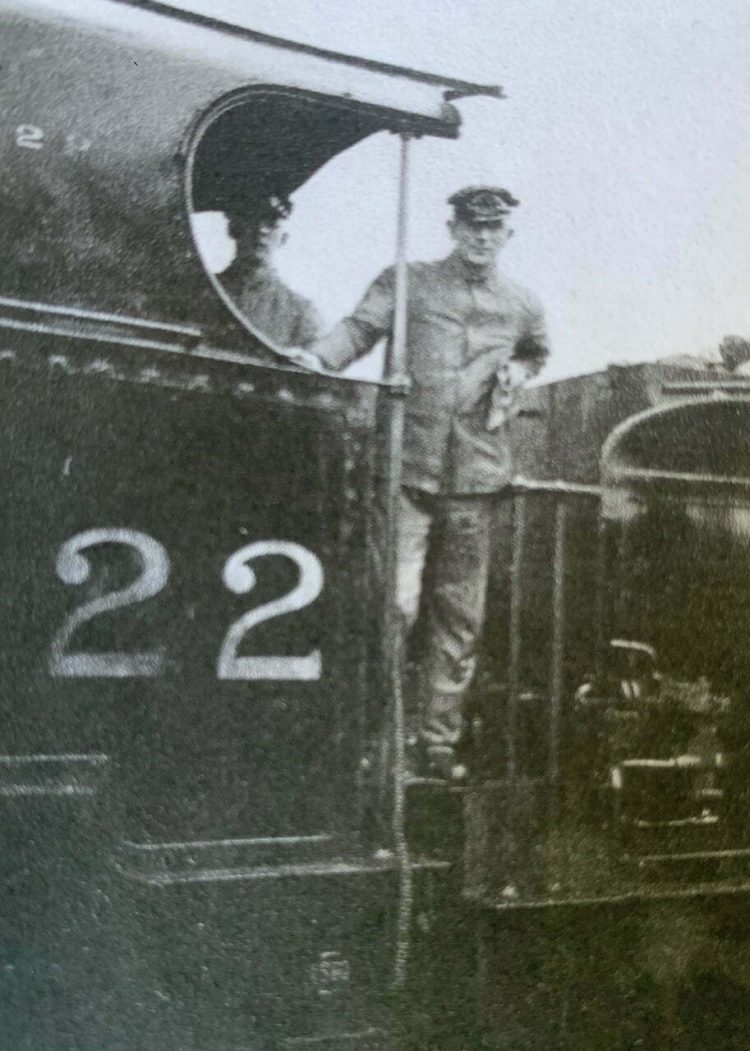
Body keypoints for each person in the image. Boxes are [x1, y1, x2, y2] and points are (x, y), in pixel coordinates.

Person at [295, 186, 549, 778]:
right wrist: (318, 359)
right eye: (471, 227)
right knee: (394, 604)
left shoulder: (523, 304)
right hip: (408, 468)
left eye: (494, 229)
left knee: (459, 615)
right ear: (452, 229)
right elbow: (358, 329)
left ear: (507, 235)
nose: (482, 238)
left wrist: (518, 369)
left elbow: (538, 350)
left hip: (475, 477)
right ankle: (373, 735)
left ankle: (435, 740)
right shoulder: (407, 281)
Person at [220, 193, 322, 349]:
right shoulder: (202, 292)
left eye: (272, 223)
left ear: (284, 238)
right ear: (233, 228)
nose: (261, 230)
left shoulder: (300, 313)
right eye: (252, 219)